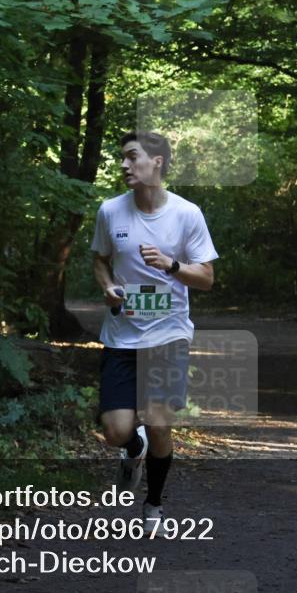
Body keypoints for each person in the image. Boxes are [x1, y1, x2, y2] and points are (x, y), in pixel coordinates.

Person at [91, 131, 218, 533]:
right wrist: (108, 288)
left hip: (169, 335)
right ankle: (133, 448)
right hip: (122, 337)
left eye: (132, 157)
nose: (124, 165)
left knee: (159, 422)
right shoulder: (110, 211)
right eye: (122, 158)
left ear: (157, 162)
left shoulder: (186, 214)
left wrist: (171, 265)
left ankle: (154, 506)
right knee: (116, 431)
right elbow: (99, 260)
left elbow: (207, 278)